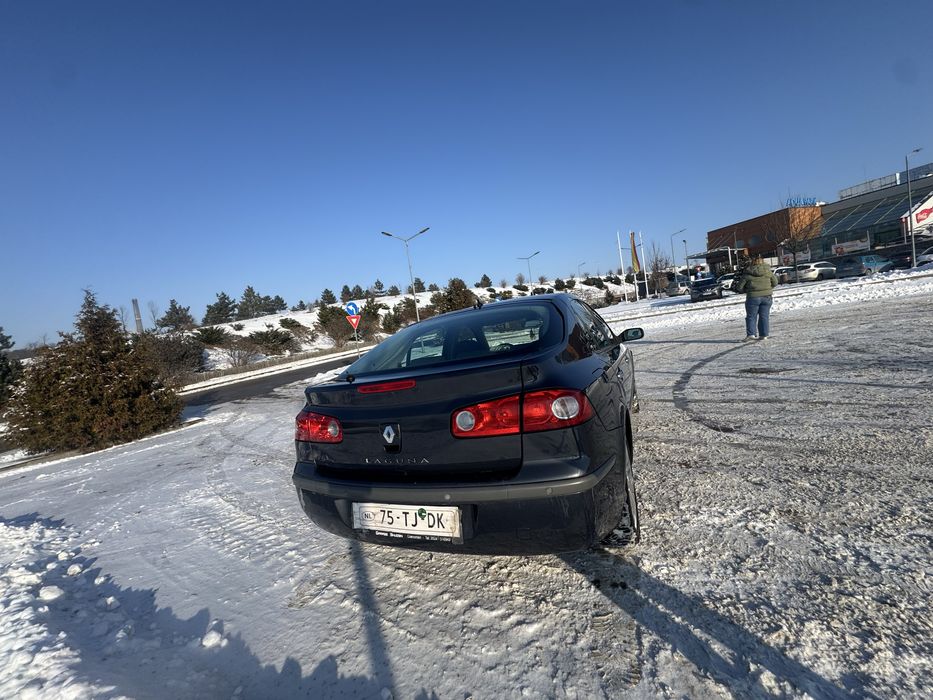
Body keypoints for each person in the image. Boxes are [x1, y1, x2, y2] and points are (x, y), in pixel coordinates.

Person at [733, 256, 778, 341]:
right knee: (764, 316)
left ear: (752, 262)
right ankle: (764, 335)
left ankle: (751, 334)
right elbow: (775, 282)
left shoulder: (748, 274)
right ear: (762, 262)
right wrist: (768, 288)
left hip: (752, 297)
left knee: (751, 317)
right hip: (767, 297)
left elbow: (739, 287)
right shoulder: (768, 272)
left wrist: (747, 290)